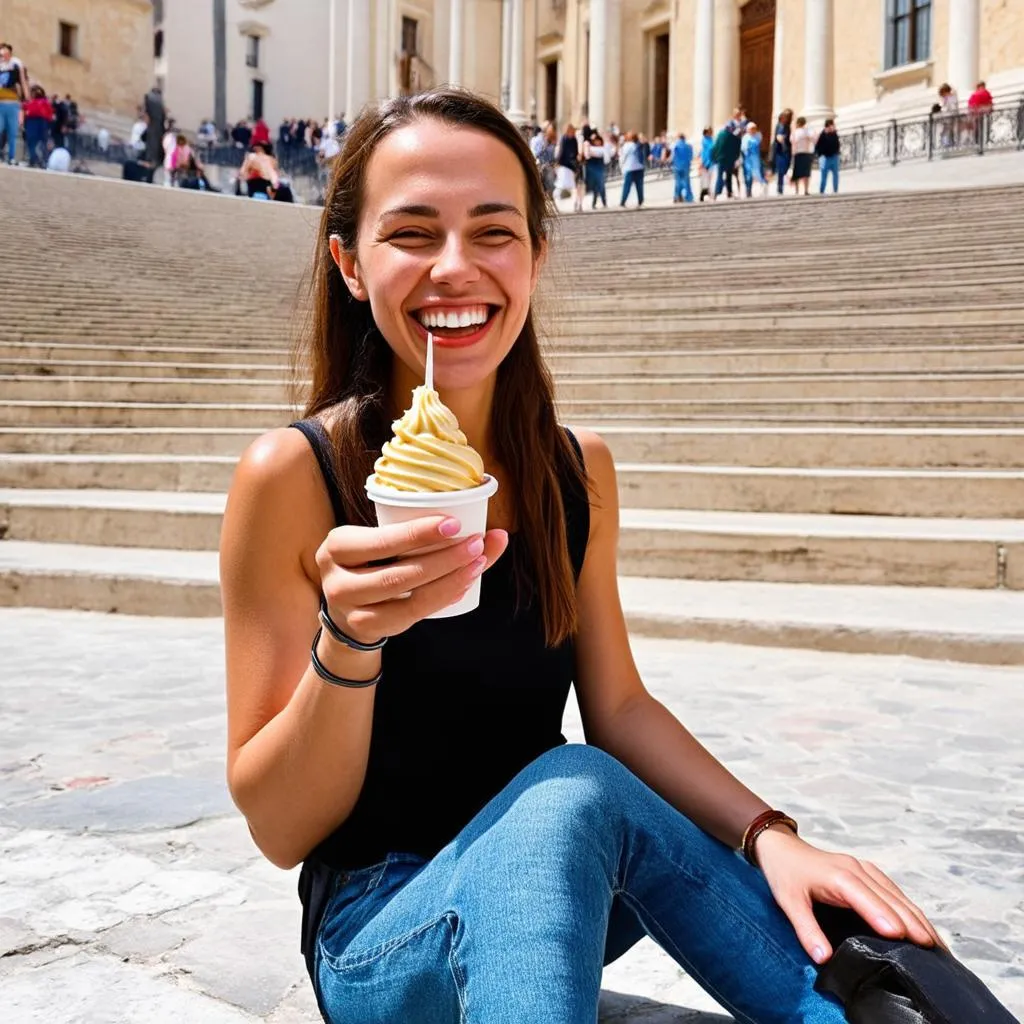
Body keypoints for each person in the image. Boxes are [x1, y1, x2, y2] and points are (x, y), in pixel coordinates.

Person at [219, 86, 943, 1024]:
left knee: (582, 799)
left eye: (493, 231)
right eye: (411, 233)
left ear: (535, 255)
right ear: (350, 265)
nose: (455, 267)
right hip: (379, 931)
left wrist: (771, 835)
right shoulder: (296, 476)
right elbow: (281, 830)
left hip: (563, 888)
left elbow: (620, 705)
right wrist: (348, 643)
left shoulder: (576, 469)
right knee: (574, 791)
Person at [0, 41, 31, 165]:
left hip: (12, 102)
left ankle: (11, 157)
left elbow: (23, 82)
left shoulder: (16, 65)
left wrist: (26, 96)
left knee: (11, 131)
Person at [22, 85, 53, 169]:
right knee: (32, 142)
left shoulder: (43, 102)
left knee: (41, 142)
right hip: (33, 122)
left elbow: (49, 114)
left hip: (40, 122)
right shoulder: (31, 102)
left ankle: (42, 161)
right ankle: (34, 159)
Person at [711, 122, 741, 200]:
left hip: (721, 160)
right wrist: (735, 159)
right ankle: (729, 192)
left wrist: (714, 158)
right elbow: (737, 150)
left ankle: (717, 192)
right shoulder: (734, 138)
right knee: (728, 177)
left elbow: (715, 147)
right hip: (730, 160)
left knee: (720, 176)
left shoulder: (720, 135)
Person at [582, 129, 608, 209]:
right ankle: (596, 203)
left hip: (600, 169)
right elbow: (587, 156)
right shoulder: (590, 148)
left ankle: (603, 202)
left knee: (601, 186)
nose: (597, 142)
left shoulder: (602, 148)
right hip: (593, 170)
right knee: (596, 187)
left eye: (598, 140)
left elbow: (606, 157)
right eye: (595, 141)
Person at [618, 130, 645, 208]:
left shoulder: (627, 145)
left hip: (630, 168)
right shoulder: (638, 145)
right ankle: (640, 201)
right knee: (639, 186)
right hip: (639, 167)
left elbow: (623, 156)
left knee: (627, 186)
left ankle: (623, 201)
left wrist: (621, 166)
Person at [814, 119, 841, 195]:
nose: (832, 127)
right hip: (825, 158)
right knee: (824, 176)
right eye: (831, 125)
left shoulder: (834, 133)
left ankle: (835, 190)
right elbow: (818, 146)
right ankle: (822, 191)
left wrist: (837, 152)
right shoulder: (822, 135)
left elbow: (837, 143)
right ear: (827, 126)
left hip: (834, 156)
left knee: (835, 174)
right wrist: (820, 155)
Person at [771, 108, 793, 195]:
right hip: (780, 151)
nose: (786, 118)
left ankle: (780, 187)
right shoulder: (779, 125)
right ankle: (780, 188)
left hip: (786, 150)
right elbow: (778, 137)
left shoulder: (788, 126)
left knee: (785, 168)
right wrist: (780, 138)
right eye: (785, 116)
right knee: (781, 170)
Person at [741, 122, 766, 198]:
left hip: (756, 158)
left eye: (754, 128)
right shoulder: (745, 137)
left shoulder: (758, 136)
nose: (753, 130)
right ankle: (748, 190)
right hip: (748, 159)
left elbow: (760, 144)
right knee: (748, 175)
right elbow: (743, 148)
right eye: (751, 129)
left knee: (758, 173)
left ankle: (762, 189)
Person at [791, 115, 814, 195]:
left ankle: (797, 191)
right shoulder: (807, 131)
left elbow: (792, 141)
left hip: (798, 153)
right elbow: (813, 139)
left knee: (797, 173)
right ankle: (806, 190)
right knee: (806, 173)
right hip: (806, 153)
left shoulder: (795, 132)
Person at [670, 131, 693, 203]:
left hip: (677, 166)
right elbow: (691, 156)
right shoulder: (688, 146)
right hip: (686, 166)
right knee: (686, 182)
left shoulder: (675, 146)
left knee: (678, 182)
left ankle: (677, 196)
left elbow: (672, 156)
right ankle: (688, 197)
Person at [698, 125, 714, 202]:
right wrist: (701, 162)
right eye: (708, 131)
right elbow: (701, 153)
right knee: (704, 179)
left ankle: (709, 193)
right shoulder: (702, 141)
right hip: (704, 162)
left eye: (710, 131)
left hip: (711, 162)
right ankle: (702, 194)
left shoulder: (712, 140)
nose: (709, 133)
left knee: (709, 179)